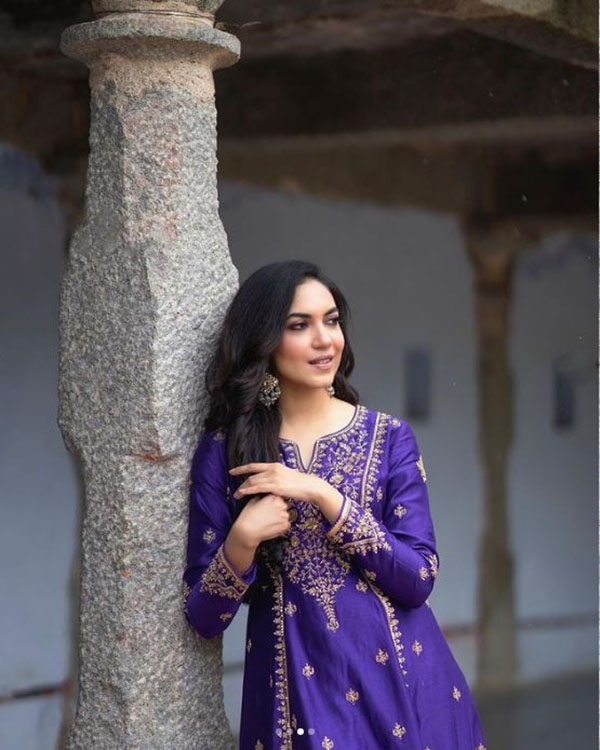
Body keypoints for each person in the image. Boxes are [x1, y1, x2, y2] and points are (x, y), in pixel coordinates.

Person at [183, 260, 487, 750]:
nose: (325, 339)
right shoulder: (226, 450)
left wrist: (326, 497)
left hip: (403, 683)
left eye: (332, 320)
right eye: (299, 325)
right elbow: (202, 618)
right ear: (264, 340)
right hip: (293, 695)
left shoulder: (388, 438)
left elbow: (418, 578)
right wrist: (241, 540)